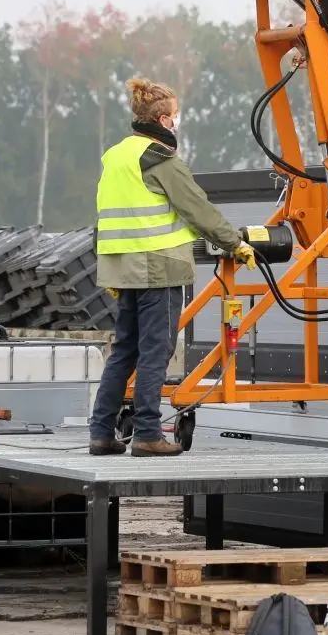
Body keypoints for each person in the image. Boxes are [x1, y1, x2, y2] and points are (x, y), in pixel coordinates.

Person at [87, 77, 255, 457]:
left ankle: (100, 433)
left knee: (124, 351)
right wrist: (236, 243)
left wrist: (111, 268)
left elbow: (105, 213)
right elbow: (197, 209)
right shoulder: (160, 159)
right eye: (176, 116)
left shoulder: (116, 156)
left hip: (122, 268)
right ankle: (147, 433)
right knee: (156, 350)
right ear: (164, 120)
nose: (178, 122)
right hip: (158, 267)